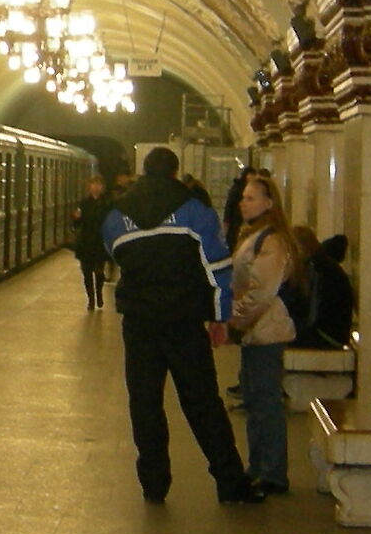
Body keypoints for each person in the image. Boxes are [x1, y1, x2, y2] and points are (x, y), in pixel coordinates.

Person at [100, 148, 264, 506]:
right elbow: (218, 267)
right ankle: (230, 482)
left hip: (140, 323)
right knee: (202, 402)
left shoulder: (117, 215)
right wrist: (220, 317)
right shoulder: (194, 210)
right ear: (175, 173)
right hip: (184, 321)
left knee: (145, 404)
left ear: (145, 172)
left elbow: (114, 254)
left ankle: (154, 484)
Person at [229, 172, 304, 493]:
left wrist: (237, 318)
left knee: (266, 403)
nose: (243, 203)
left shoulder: (271, 240)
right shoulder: (256, 235)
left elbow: (261, 290)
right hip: (257, 330)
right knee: (256, 401)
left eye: (251, 198)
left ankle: (272, 472)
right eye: (243, 198)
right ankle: (258, 465)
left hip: (266, 329)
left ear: (269, 203)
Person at [296, 230, 356, 350]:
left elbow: (312, 311)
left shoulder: (317, 269)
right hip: (336, 333)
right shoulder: (325, 265)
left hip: (327, 335)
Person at [70, 175, 113, 310]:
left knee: (99, 272)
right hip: (86, 242)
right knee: (86, 272)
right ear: (89, 187)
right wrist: (76, 218)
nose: (96, 187)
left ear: (102, 187)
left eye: (98, 184)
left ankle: (99, 293)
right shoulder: (83, 203)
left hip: (100, 242)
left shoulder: (107, 203)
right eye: (93, 184)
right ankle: (91, 300)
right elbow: (78, 223)